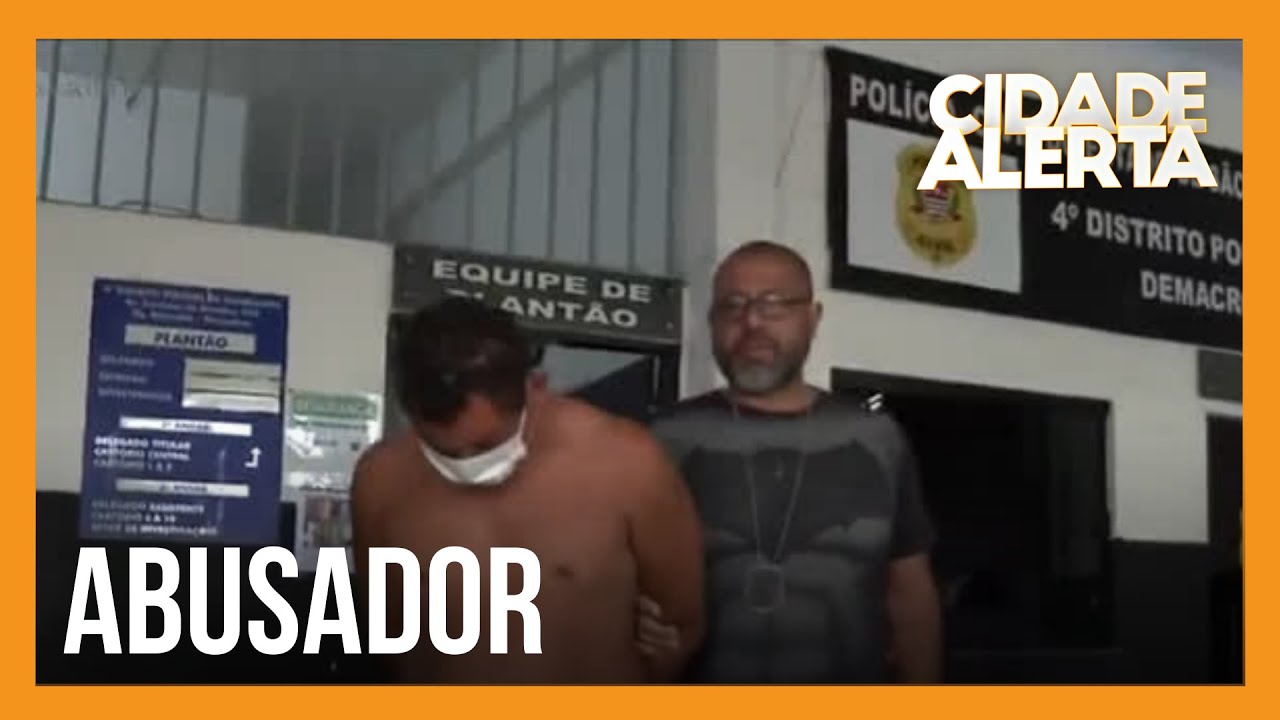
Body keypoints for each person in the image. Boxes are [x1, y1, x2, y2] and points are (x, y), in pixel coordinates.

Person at [351, 297, 705, 683]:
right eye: (443, 450)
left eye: (485, 445)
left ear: (534, 387)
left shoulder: (627, 462)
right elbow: (388, 630)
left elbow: (681, 626)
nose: (466, 462)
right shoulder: (380, 478)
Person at [640, 240, 943, 684]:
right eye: (732, 306)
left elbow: (910, 595)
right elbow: (615, 583)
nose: (751, 322)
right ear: (711, 323)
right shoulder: (663, 439)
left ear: (813, 318)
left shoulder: (875, 439)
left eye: (773, 304)